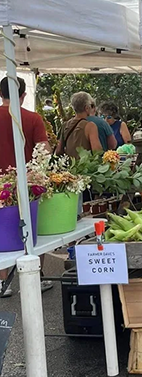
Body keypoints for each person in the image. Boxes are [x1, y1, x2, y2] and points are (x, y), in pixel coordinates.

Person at [0, 77, 53, 297]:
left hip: (0, 183)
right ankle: (35, 277)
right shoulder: (32, 118)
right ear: (23, 95)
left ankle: (3, 282)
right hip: (28, 182)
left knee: (1, 231)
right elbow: (45, 150)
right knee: (32, 227)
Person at [56, 92, 103, 159]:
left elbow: (58, 150)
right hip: (85, 166)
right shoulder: (90, 126)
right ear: (86, 108)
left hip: (69, 166)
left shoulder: (65, 125)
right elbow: (97, 151)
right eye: (91, 105)